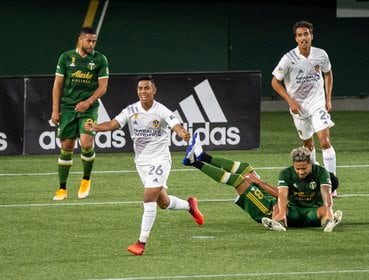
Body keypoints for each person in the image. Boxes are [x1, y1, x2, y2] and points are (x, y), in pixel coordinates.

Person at [84, 76, 204, 255]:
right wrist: (95, 127)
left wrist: (181, 134)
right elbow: (112, 124)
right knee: (163, 202)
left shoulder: (161, 110)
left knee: (148, 197)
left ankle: (141, 243)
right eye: (140, 88)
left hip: (160, 160)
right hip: (141, 162)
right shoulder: (131, 110)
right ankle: (189, 205)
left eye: (147, 88)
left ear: (154, 90)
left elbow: (175, 125)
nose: (143, 92)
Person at [183, 133, 342, 232]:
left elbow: (283, 198)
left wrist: (258, 183)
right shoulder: (292, 174)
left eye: (303, 169)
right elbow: (282, 196)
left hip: (266, 209)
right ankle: (203, 156)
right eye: (298, 169)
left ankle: (195, 162)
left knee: (240, 181)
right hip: (279, 204)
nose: (300, 172)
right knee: (246, 168)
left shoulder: (318, 179)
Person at [271, 20, 339, 197]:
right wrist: (290, 101)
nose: (303, 38)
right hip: (299, 108)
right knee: (308, 144)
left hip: (318, 103)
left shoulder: (321, 54)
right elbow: (274, 82)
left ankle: (331, 184)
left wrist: (328, 99)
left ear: (311, 36)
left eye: (306, 34)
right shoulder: (288, 59)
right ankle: (314, 179)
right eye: (300, 35)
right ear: (296, 38)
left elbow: (328, 73)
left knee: (324, 141)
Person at [51, 26, 109, 201]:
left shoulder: (100, 60)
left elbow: (103, 87)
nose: (92, 44)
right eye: (89, 41)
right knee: (67, 146)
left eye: (94, 41)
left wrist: (88, 102)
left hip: (89, 108)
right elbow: (57, 85)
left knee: (85, 143)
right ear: (80, 40)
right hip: (68, 107)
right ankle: (62, 188)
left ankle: (86, 179)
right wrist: (55, 110)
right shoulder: (66, 57)